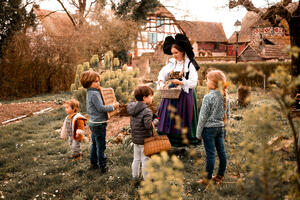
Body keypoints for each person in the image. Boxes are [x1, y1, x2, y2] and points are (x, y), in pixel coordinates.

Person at [156, 33, 200, 147]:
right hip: (171, 94)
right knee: (168, 117)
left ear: (182, 51)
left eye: (176, 52)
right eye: (172, 53)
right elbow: (162, 75)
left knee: (182, 117)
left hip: (185, 94)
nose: (174, 55)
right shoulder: (171, 63)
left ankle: (182, 143)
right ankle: (167, 141)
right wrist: (161, 82)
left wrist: (181, 82)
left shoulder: (190, 64)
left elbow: (193, 82)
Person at [80, 70, 119, 174]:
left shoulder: (89, 92)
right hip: (99, 123)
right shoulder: (95, 94)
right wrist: (113, 107)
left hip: (93, 122)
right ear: (88, 83)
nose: (98, 83)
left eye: (98, 81)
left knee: (94, 144)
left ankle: (93, 164)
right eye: (96, 82)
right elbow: (101, 108)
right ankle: (103, 166)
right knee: (101, 146)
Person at [196, 69, 230, 184]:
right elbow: (227, 116)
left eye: (207, 80)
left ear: (214, 83)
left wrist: (198, 132)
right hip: (220, 128)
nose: (206, 82)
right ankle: (220, 175)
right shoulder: (225, 97)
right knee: (222, 152)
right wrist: (225, 132)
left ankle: (207, 179)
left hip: (208, 129)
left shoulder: (208, 97)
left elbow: (202, 117)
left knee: (210, 155)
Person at [127, 86, 154, 183]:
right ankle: (146, 180)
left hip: (135, 139)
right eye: (150, 96)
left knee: (136, 159)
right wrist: (155, 121)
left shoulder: (132, 108)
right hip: (145, 140)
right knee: (145, 159)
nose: (152, 98)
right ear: (144, 98)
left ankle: (135, 177)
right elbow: (148, 126)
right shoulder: (147, 111)